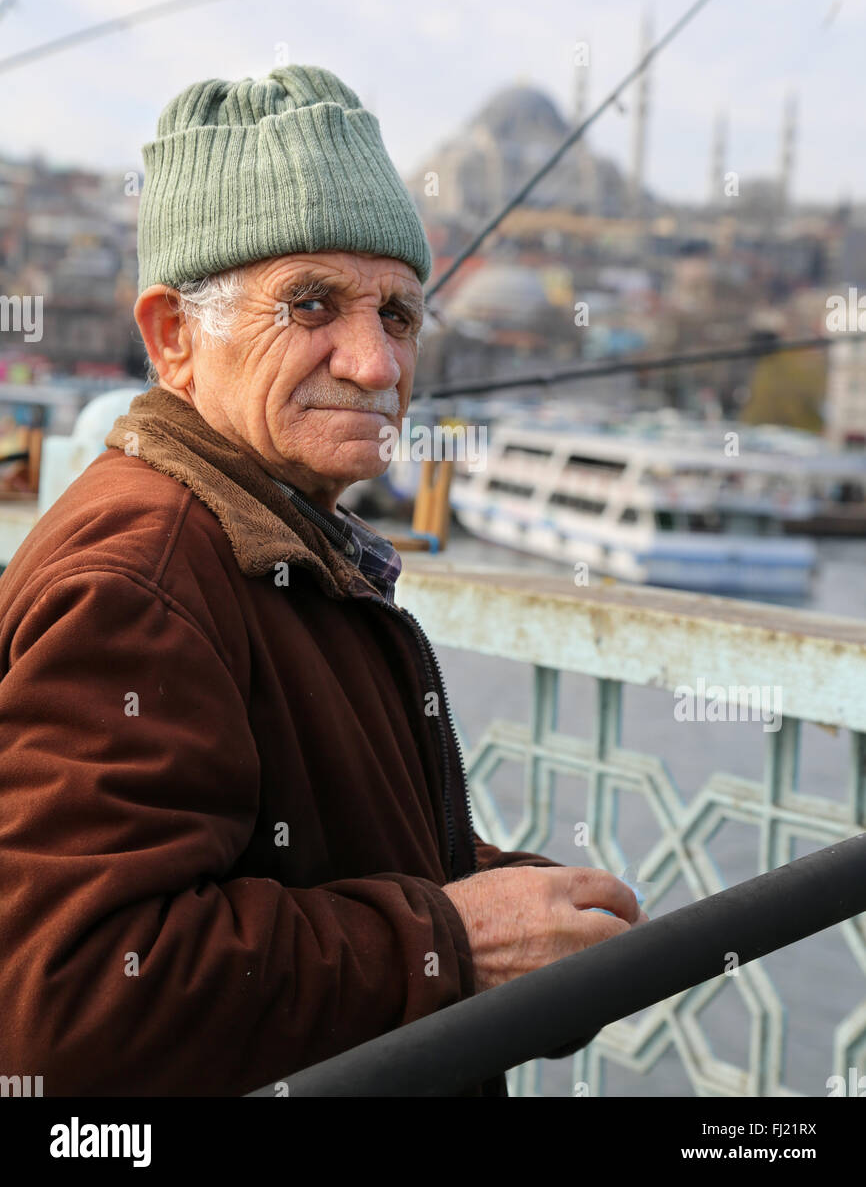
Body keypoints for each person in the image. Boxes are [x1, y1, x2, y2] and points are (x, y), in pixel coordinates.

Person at [0, 65, 643, 1097]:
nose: (376, 364)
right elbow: (72, 999)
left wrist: (499, 906)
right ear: (173, 339)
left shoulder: (272, 535)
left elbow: (301, 849)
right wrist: (447, 944)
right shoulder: (142, 580)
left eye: (397, 314)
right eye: (310, 304)